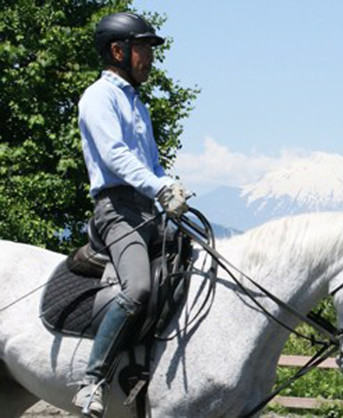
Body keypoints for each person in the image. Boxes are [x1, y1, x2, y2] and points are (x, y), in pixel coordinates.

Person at [72, 12, 188, 417]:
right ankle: (92, 380)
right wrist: (159, 187)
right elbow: (115, 156)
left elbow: (152, 166)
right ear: (118, 51)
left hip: (146, 208)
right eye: (143, 48)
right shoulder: (98, 98)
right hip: (115, 210)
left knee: (192, 263)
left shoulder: (137, 104)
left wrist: (170, 186)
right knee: (138, 286)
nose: (149, 57)